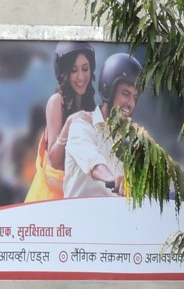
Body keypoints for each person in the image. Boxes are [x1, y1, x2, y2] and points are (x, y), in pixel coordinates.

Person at [26, 41, 97, 202]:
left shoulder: (90, 106)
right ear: (64, 73)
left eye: (85, 69)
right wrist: (69, 124)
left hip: (75, 198)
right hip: (49, 199)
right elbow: (54, 161)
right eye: (74, 70)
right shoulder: (56, 102)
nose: (81, 77)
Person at [63, 51, 140, 198]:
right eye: (125, 94)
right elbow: (94, 163)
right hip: (78, 218)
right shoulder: (82, 127)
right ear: (108, 90)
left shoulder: (128, 141)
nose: (130, 104)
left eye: (134, 97)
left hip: (113, 218)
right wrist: (112, 179)